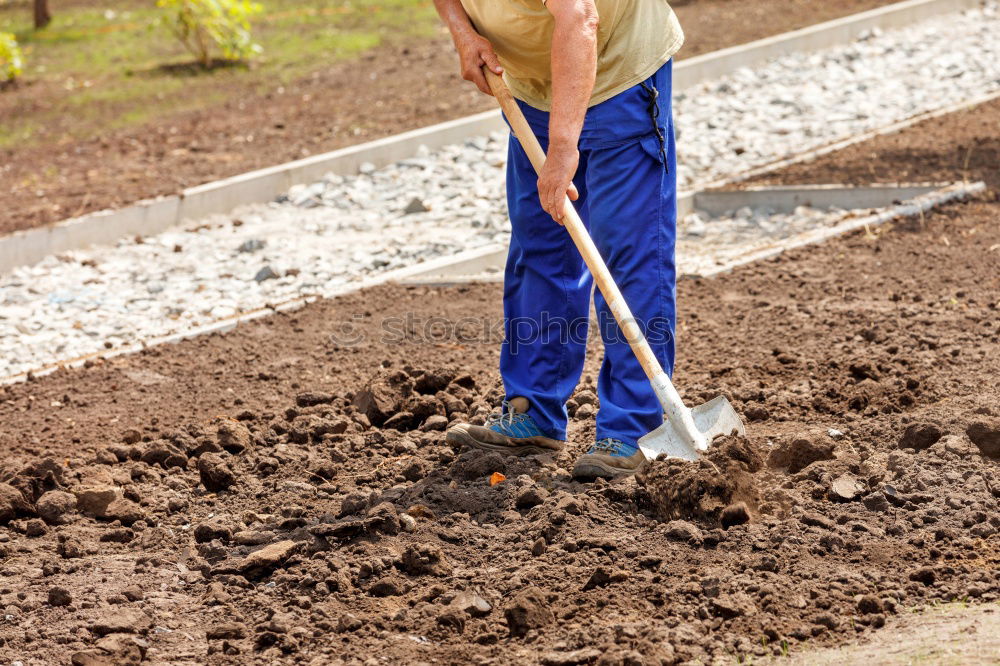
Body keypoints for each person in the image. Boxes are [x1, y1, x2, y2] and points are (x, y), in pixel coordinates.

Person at [435, 0, 684, 479]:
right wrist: (461, 30)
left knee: (626, 255)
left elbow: (579, 17)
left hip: (617, 69)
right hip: (534, 85)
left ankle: (635, 428)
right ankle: (534, 411)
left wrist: (562, 148)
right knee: (540, 247)